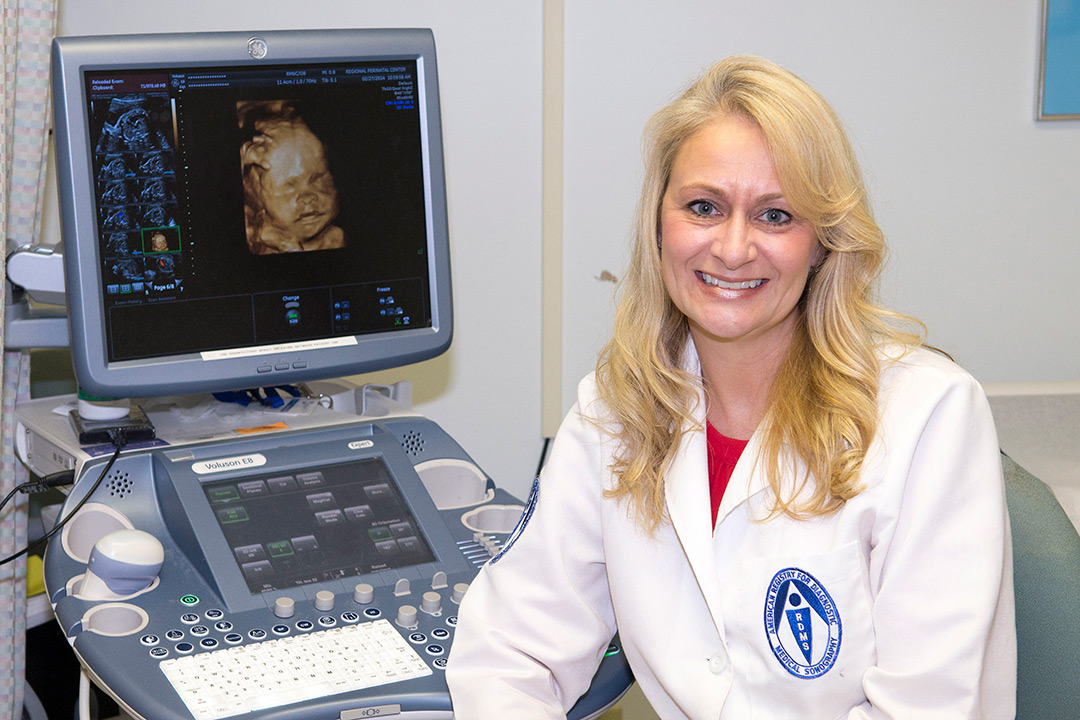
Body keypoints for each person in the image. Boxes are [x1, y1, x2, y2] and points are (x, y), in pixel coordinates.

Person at [445, 56, 1016, 718]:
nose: (733, 248)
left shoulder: (929, 418)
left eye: (776, 216)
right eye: (704, 207)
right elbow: (511, 647)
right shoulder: (618, 409)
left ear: (822, 243)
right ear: (660, 225)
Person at [238, 100, 346, 254]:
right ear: (255, 197)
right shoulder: (252, 238)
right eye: (289, 187)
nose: (308, 197)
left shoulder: (336, 239)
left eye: (319, 181)